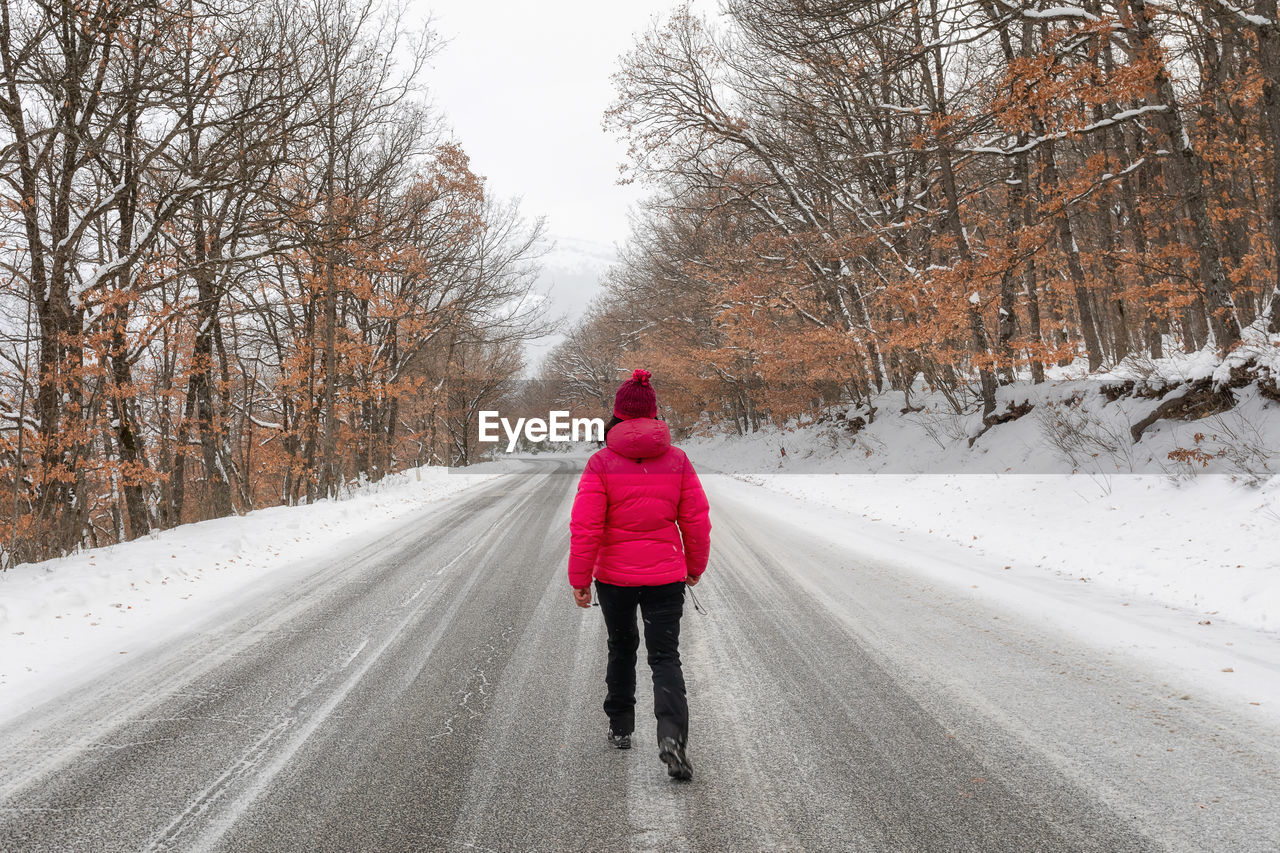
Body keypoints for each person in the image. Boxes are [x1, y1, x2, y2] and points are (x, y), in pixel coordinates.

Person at [568, 368, 711, 781]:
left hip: (614, 579)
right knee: (665, 657)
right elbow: (696, 520)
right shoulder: (678, 460)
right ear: (654, 414)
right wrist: (695, 567)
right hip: (666, 576)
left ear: (616, 416)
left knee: (621, 646)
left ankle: (620, 726)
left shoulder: (601, 463)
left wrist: (580, 578)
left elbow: (586, 526)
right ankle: (672, 739)